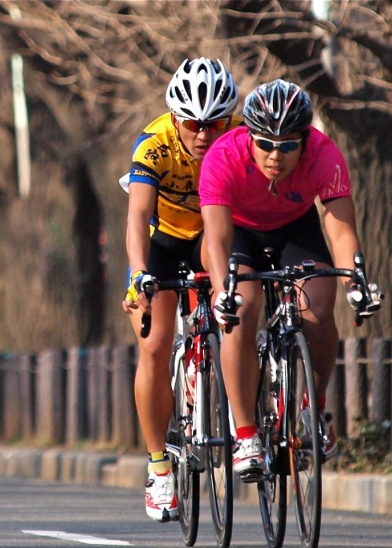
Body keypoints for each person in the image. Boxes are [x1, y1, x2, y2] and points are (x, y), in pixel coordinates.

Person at [199, 79, 382, 479]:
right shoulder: (222, 156)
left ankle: (312, 406)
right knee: (241, 310)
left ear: (305, 139)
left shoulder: (325, 155)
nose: (274, 156)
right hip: (238, 234)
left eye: (286, 146)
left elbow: (339, 229)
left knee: (316, 308)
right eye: (264, 144)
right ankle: (245, 433)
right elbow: (215, 236)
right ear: (248, 137)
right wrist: (220, 291)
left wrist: (355, 283)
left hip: (295, 229)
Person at [121, 57, 239, 522]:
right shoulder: (154, 145)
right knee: (153, 344)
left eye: (214, 123)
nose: (204, 134)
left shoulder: (238, 140)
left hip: (213, 236)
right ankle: (158, 467)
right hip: (163, 240)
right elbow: (136, 218)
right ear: (176, 118)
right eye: (193, 123)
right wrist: (137, 271)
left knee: (233, 293)